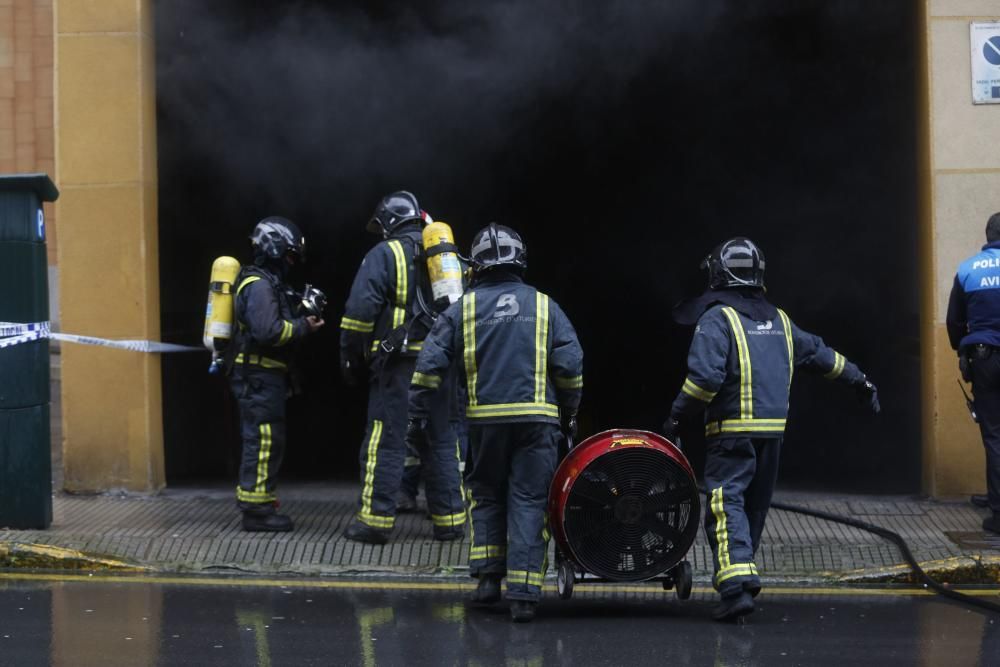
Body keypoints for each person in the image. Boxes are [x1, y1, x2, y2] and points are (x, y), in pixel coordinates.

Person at [663, 237, 880, 621]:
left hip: (731, 431)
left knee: (725, 502)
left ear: (717, 273)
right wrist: (860, 382)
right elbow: (820, 355)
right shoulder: (779, 320)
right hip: (772, 432)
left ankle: (733, 587)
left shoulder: (717, 318)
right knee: (754, 506)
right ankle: (743, 573)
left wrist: (678, 416)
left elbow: (704, 380)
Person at [408, 223, 584, 622]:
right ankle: (523, 596)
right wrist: (570, 410)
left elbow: (429, 365)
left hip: (483, 424)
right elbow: (570, 365)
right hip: (537, 423)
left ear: (477, 266)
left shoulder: (462, 308)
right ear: (519, 259)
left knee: (485, 495)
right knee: (528, 500)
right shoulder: (545, 306)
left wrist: (418, 413)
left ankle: (488, 583)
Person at [339, 191, 466, 544]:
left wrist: (350, 357)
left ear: (388, 224)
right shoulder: (447, 260)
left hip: (400, 367)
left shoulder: (384, 254)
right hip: (443, 366)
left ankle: (376, 522)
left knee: (387, 440)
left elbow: (358, 314)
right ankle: (450, 520)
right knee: (442, 439)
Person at [228, 216, 324, 531]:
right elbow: (267, 332)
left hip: (264, 378)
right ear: (275, 247)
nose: (291, 262)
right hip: (258, 378)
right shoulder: (258, 285)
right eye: (290, 255)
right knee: (263, 440)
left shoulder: (267, 283)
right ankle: (256, 513)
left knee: (267, 439)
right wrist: (303, 326)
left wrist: (299, 312)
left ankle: (261, 503)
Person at [946, 212, 1000, 536]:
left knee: (994, 437)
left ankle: (999, 513)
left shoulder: (968, 270)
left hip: (984, 359)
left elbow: (954, 321)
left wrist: (960, 350)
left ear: (988, 235)